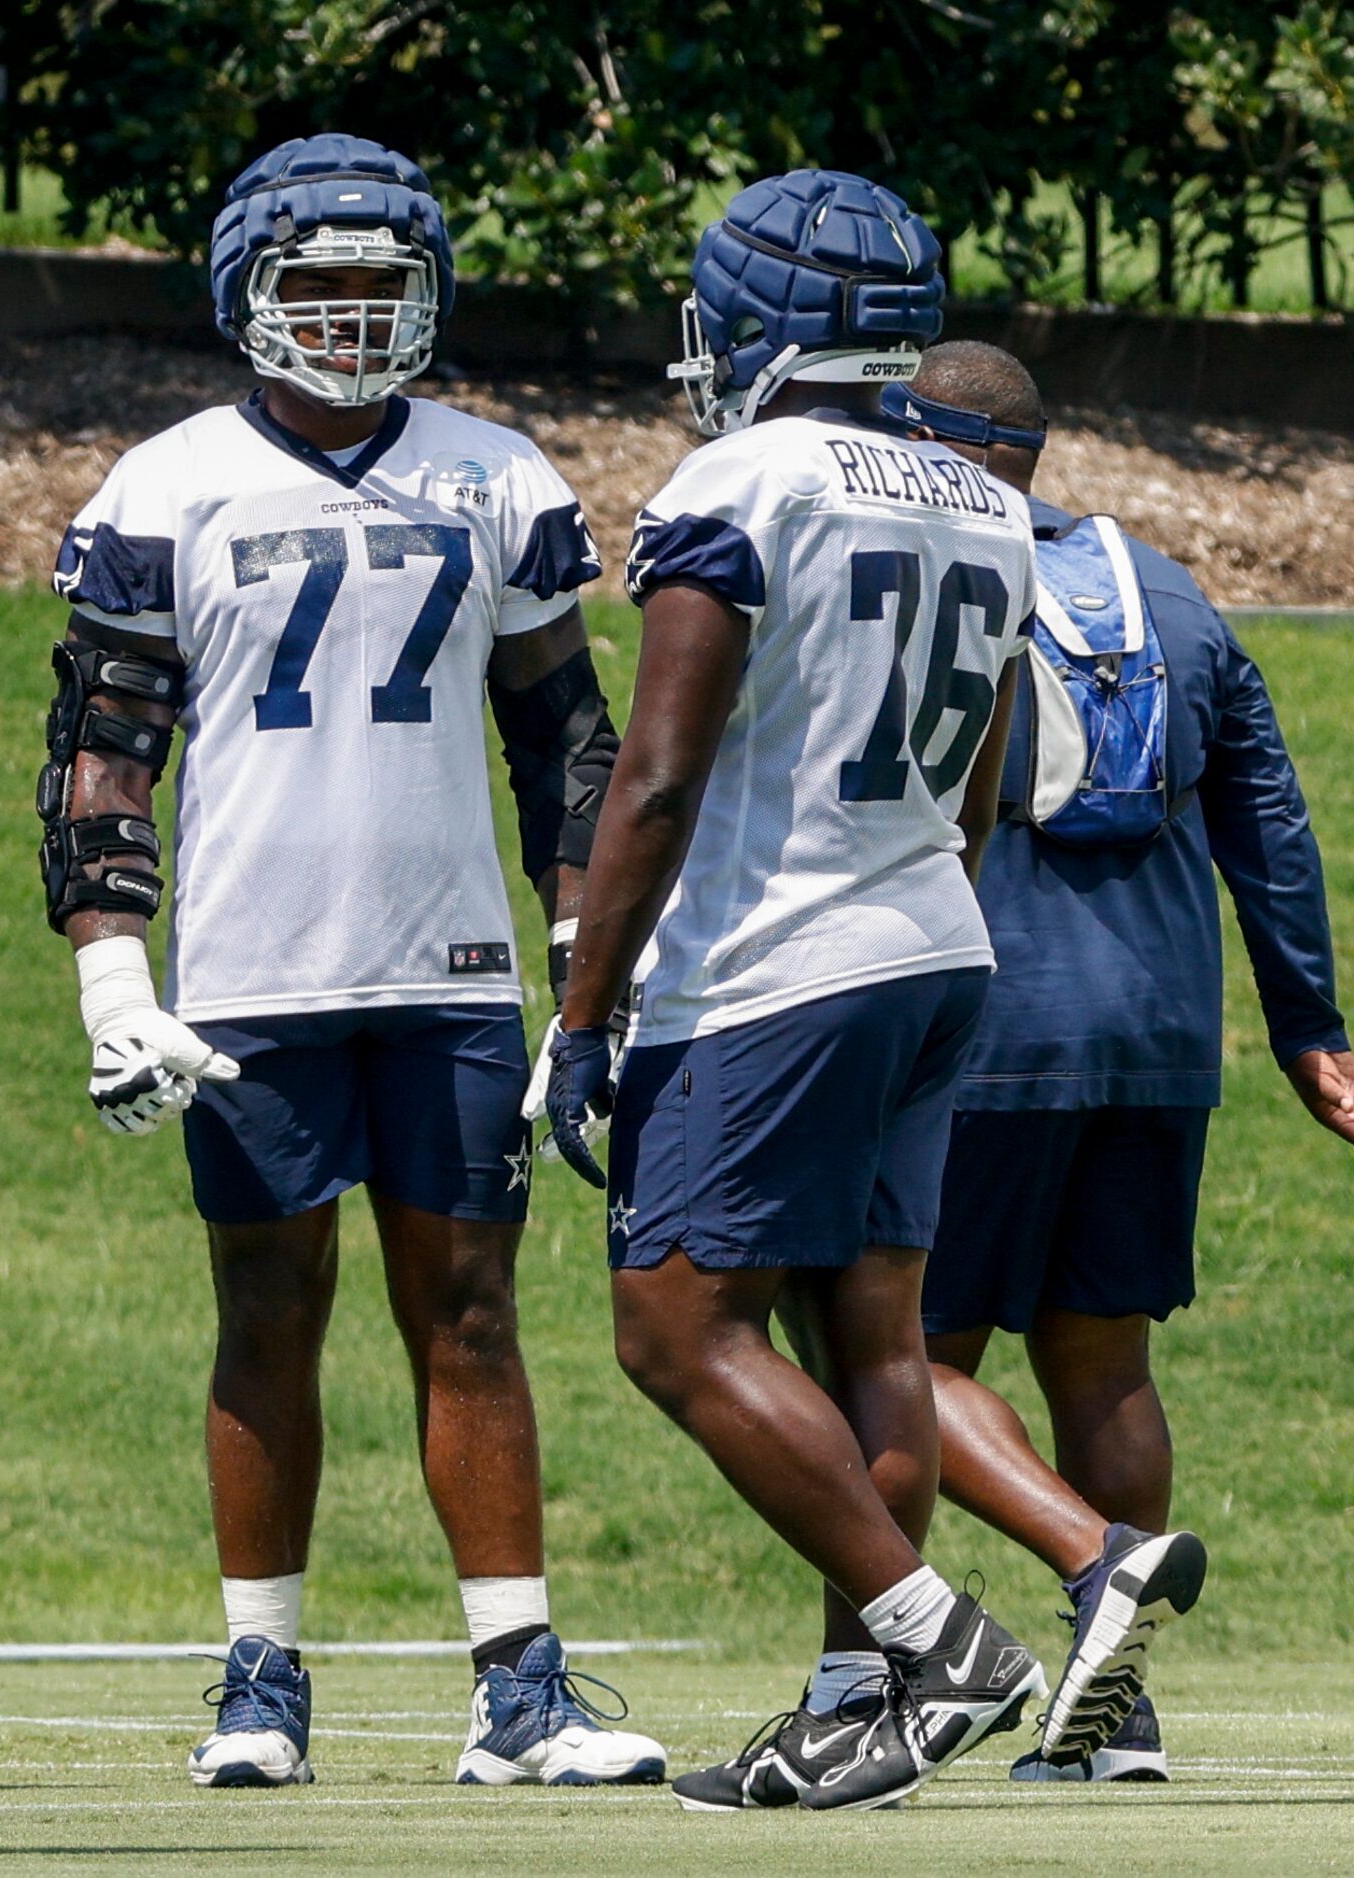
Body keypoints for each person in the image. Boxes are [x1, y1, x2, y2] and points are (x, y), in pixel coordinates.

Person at [44, 132, 665, 1791]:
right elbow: (103, 756)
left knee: (470, 1312)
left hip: (451, 973)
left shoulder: (498, 473)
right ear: (248, 289)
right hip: (250, 976)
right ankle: (260, 1673)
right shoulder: (168, 484)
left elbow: (568, 746)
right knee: (268, 1308)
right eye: (316, 285)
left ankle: (519, 1689)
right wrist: (116, 980)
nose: (348, 315)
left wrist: (581, 974)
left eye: (379, 287)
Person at [539, 168, 1047, 1814]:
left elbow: (659, 774)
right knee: (873, 1331)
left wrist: (586, 1006)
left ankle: (931, 1639)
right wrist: (913, 928)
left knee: (674, 1326)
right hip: (930, 940)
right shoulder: (979, 489)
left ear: (760, 320)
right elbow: (979, 772)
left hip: (778, 960)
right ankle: (854, 1703)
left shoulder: (739, 475)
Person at [888, 339, 1354, 1781]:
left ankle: (1027, 1604)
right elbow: (1274, 812)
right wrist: (1312, 1031)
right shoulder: (1170, 590)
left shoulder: (920, 575)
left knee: (895, 1354)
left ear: (921, 440)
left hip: (986, 1022)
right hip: (1162, 1031)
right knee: (1104, 1360)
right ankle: (1121, 1717)